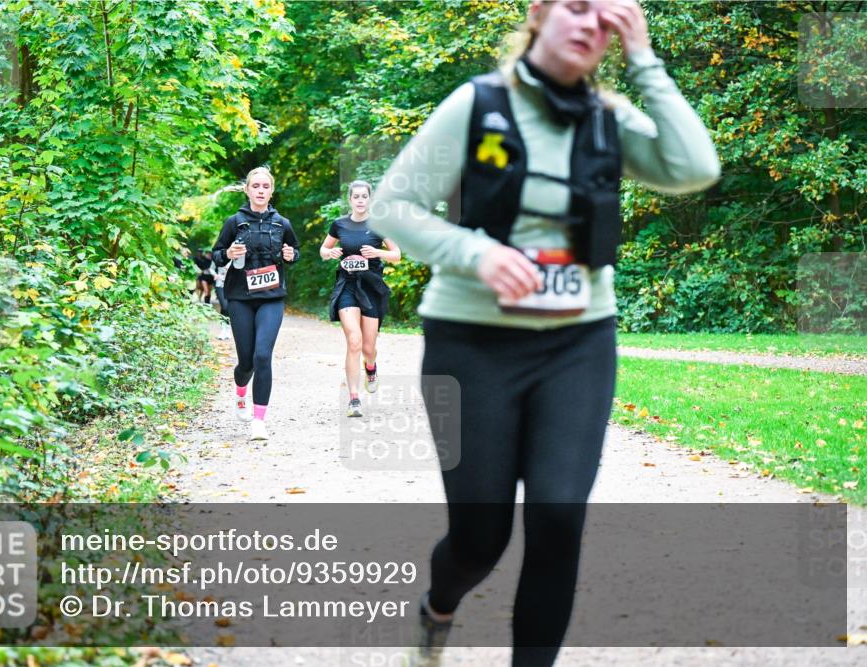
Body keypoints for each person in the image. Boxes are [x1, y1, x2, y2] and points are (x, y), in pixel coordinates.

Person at [369, 1, 721, 665]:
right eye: (577, 7)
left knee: (559, 519)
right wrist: (478, 253)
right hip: (471, 341)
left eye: (608, 18)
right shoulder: (478, 104)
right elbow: (394, 206)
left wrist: (645, 60)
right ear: (539, 13)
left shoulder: (609, 120)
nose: (591, 24)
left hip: (578, 343)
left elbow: (694, 166)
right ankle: (438, 606)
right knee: (480, 536)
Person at [211, 167, 300, 441]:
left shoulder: (281, 223)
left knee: (263, 356)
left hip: (272, 297)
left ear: (271, 191)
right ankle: (240, 390)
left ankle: (259, 421)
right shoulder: (234, 222)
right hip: (240, 297)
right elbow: (216, 255)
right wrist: (227, 253)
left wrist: (290, 254)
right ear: (247, 190)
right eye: (256, 186)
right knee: (246, 361)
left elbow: (295, 251)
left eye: (265, 186)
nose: (261, 191)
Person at [320, 180, 401, 417]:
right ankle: (354, 399)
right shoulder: (339, 225)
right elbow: (324, 250)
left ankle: (371, 367)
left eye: (364, 196)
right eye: (356, 197)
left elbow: (396, 255)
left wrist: (378, 253)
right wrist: (330, 253)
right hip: (347, 285)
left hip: (371, 287)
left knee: (368, 347)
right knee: (353, 341)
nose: (360, 200)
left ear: (370, 199)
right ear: (350, 200)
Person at [214, 262, 231, 340]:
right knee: (224, 306)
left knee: (228, 307)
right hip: (220, 284)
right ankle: (223, 329)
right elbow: (211, 268)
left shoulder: (236, 255)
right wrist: (215, 274)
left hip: (231, 284)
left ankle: (227, 329)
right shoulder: (220, 254)